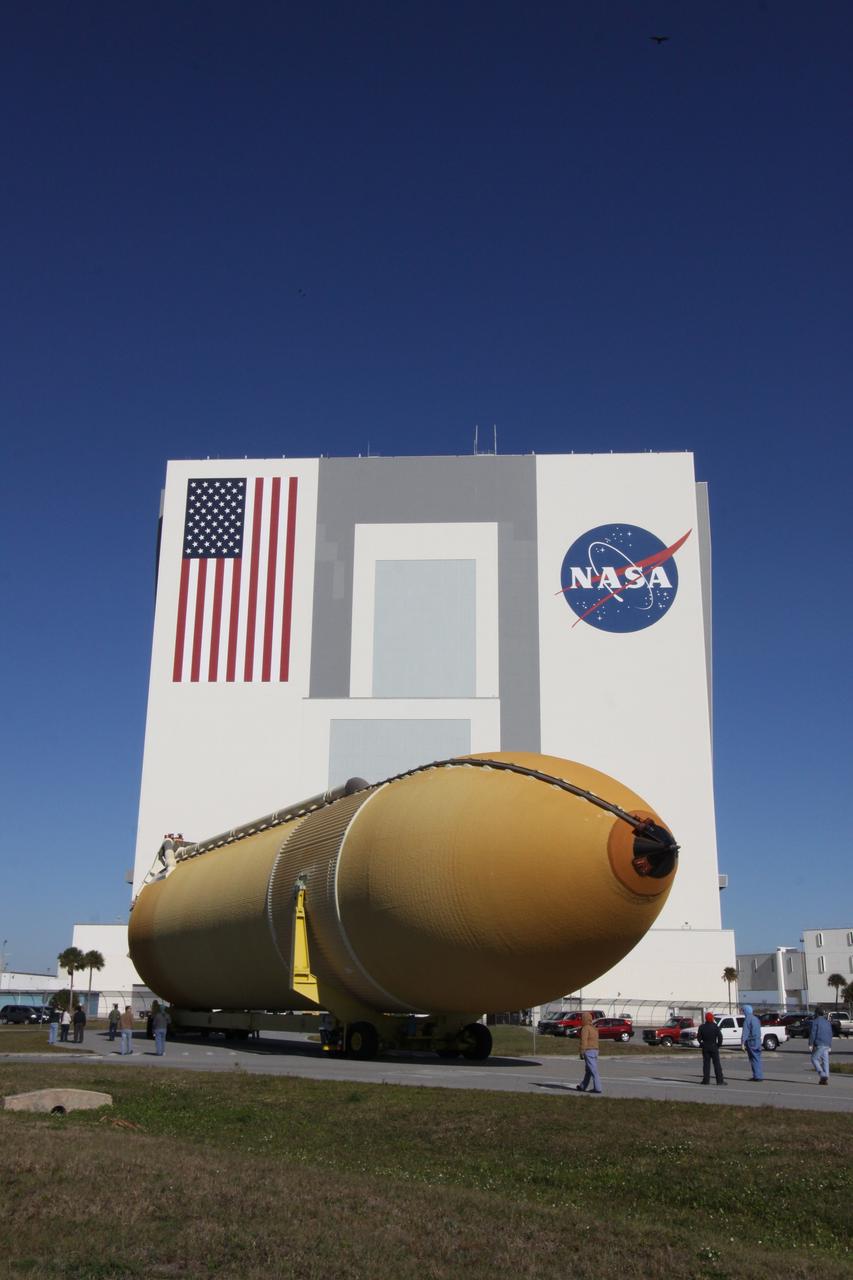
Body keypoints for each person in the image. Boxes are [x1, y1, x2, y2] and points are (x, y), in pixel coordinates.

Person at [575, 1012, 603, 1094]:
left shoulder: (585, 1028)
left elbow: (584, 1041)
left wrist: (582, 1051)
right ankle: (583, 1086)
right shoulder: (594, 1028)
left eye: (582, 1018)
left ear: (584, 1019)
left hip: (588, 1050)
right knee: (589, 1070)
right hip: (595, 1050)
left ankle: (598, 1088)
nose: (581, 1020)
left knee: (593, 1070)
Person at [697, 1012, 726, 1085]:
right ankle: (719, 1081)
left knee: (706, 1064)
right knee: (717, 1064)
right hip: (713, 1046)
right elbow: (720, 1037)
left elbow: (698, 1037)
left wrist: (701, 1043)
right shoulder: (715, 1026)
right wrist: (718, 1045)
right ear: (712, 1018)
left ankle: (706, 1080)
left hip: (705, 1047)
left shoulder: (702, 1027)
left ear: (706, 1018)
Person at [808, 1007, 833, 1085]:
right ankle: (825, 1078)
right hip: (827, 1044)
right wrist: (830, 1045)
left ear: (817, 1013)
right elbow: (830, 1033)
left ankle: (822, 1075)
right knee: (825, 1061)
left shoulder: (815, 1022)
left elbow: (813, 1033)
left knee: (814, 1059)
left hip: (820, 1043)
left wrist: (810, 1044)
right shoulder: (827, 1022)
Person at [741, 1004, 763, 1081]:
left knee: (753, 1058)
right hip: (758, 1040)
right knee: (757, 1058)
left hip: (751, 1041)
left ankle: (757, 1076)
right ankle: (759, 1075)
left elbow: (745, 1032)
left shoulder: (747, 1019)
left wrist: (742, 1043)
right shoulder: (756, 1019)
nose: (743, 1012)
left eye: (743, 1011)